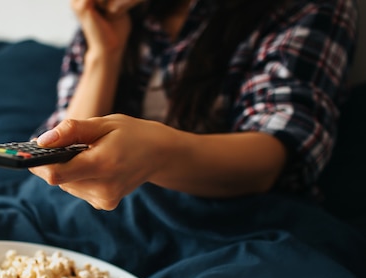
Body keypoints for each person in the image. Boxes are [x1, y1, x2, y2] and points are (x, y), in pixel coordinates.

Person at [29, 0, 358, 210]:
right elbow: (67, 164)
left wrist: (160, 153)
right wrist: (104, 53)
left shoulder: (302, 8)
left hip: (234, 227)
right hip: (93, 218)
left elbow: (273, 157)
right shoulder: (118, 13)